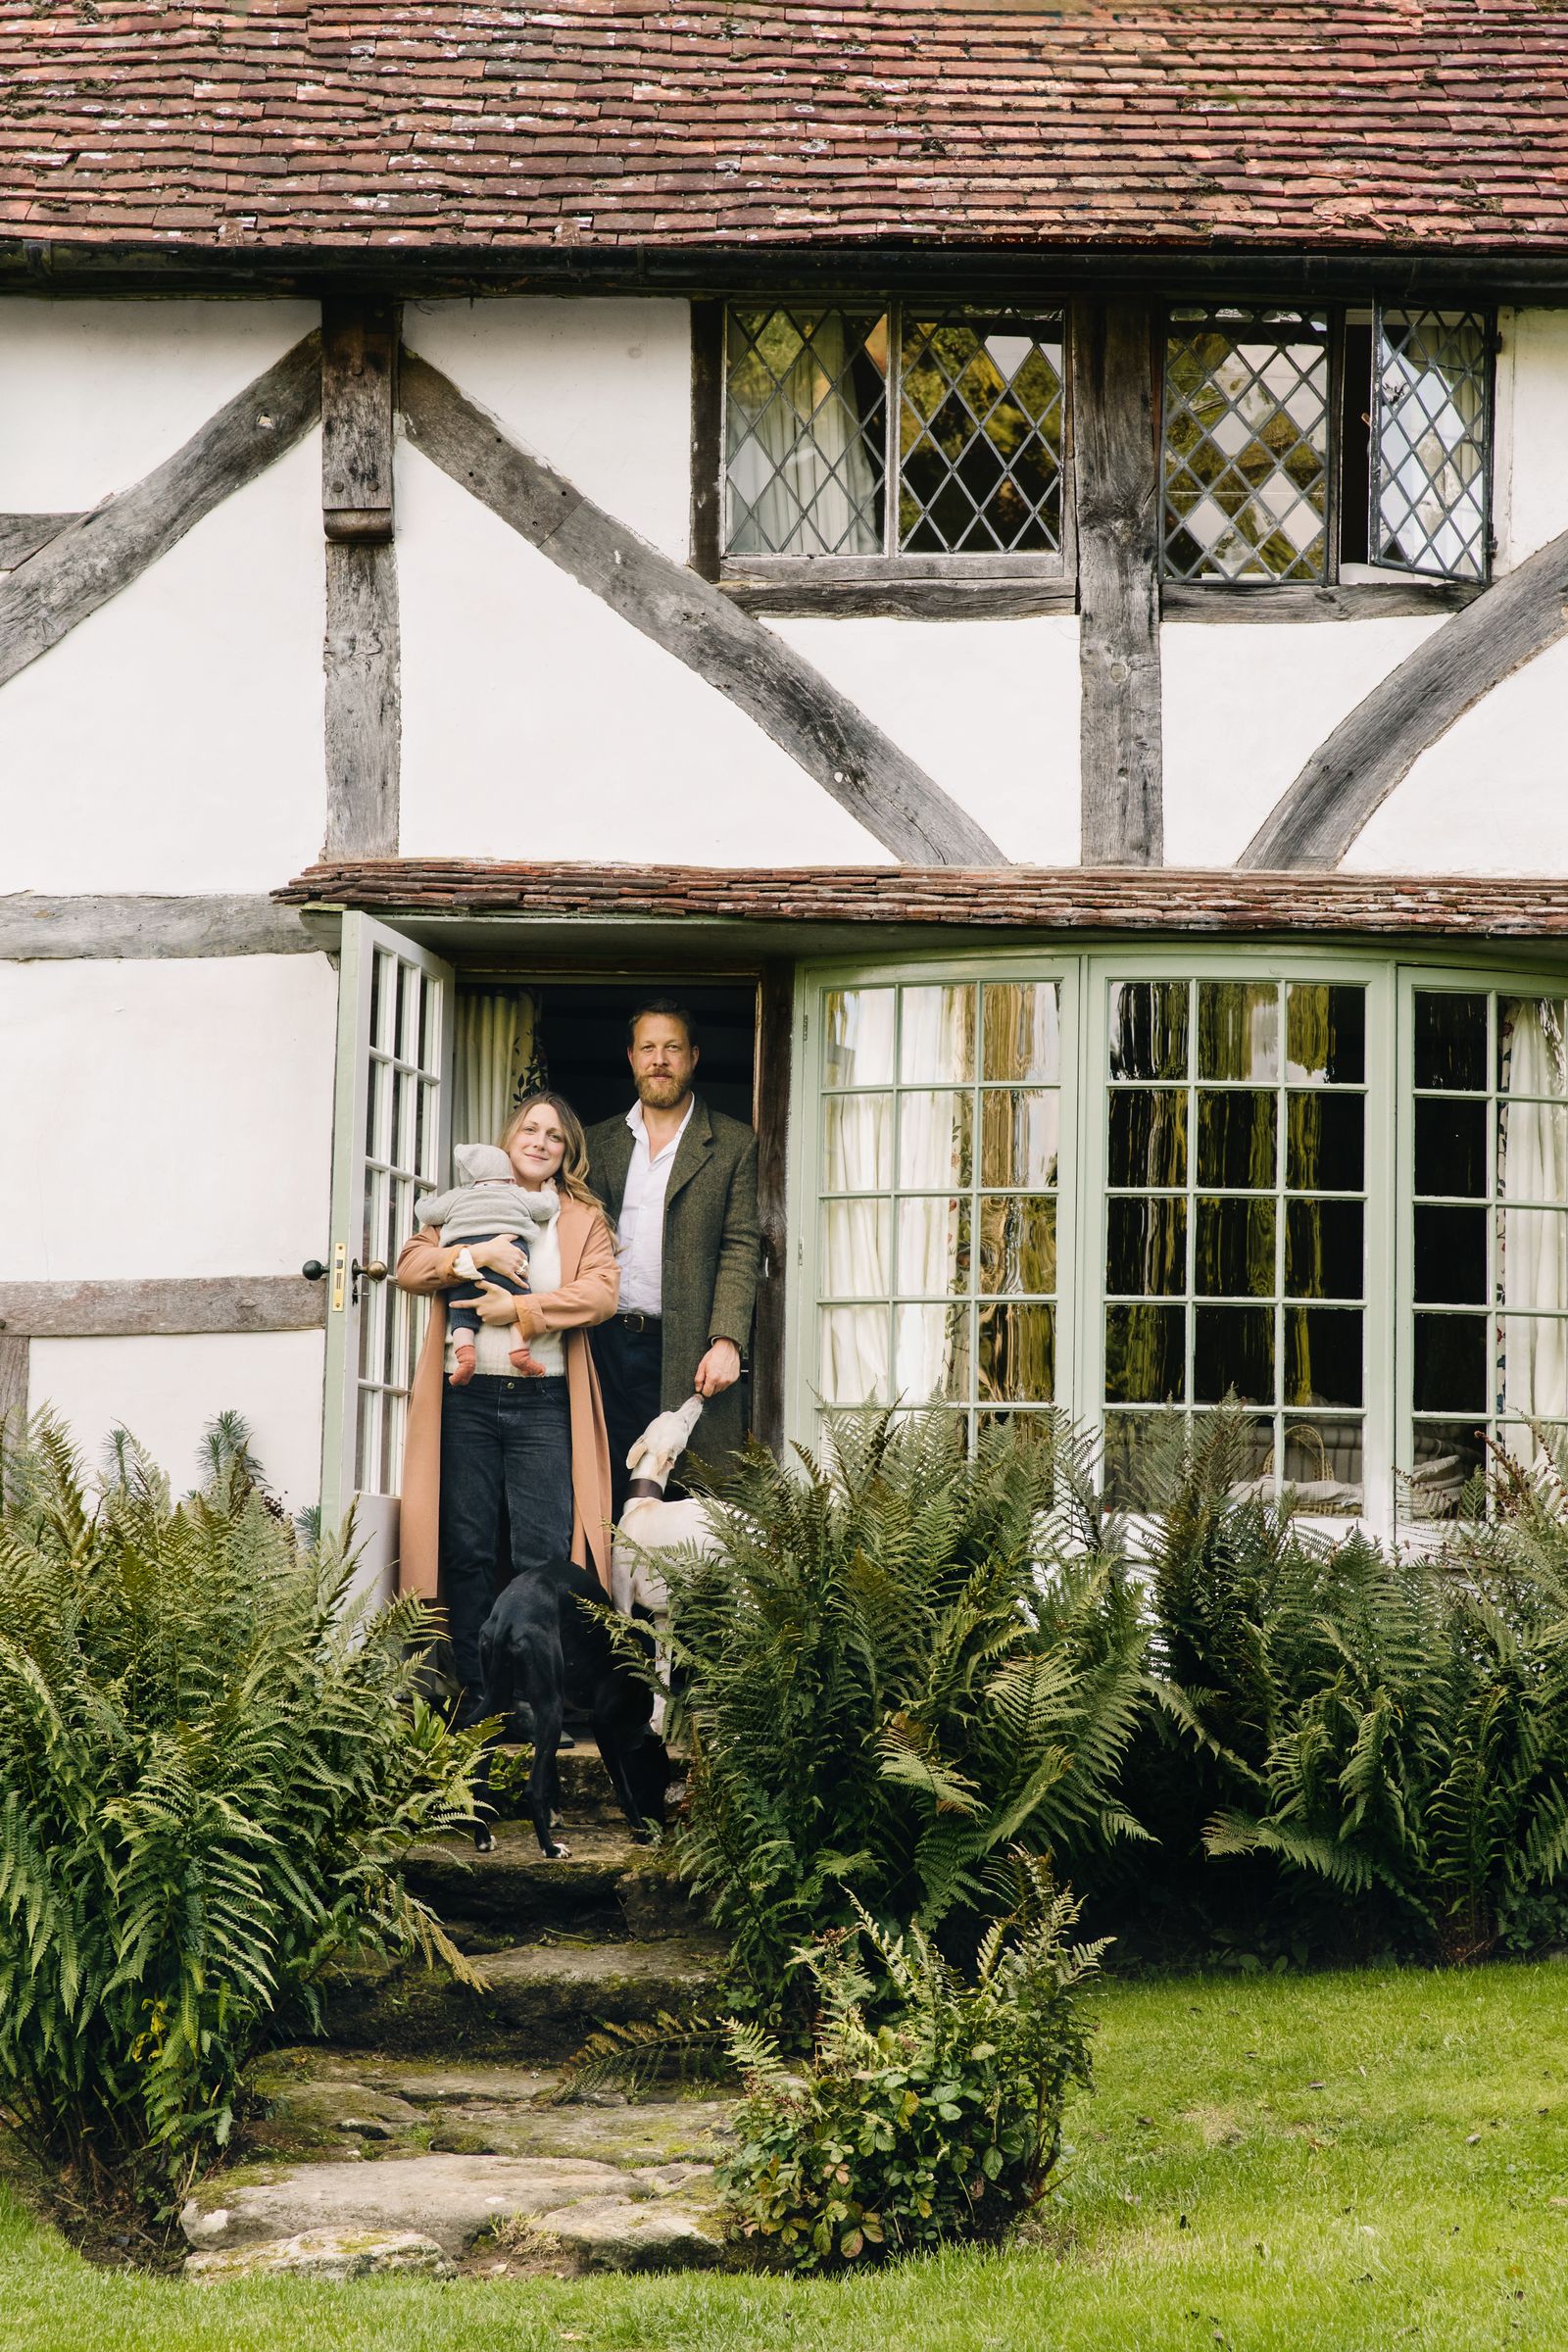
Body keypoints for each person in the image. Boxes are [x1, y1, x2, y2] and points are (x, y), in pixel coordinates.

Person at [395, 1092, 618, 1724]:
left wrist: (519, 1308)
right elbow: (410, 1267)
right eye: (531, 1130)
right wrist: (475, 1257)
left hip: (543, 1401)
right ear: (510, 1137)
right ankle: (478, 1695)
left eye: (555, 1136)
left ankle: (533, 1701)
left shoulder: (578, 1218)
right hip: (465, 1398)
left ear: (568, 1153)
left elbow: (601, 1294)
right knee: (467, 1548)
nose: (541, 1142)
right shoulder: (465, 1200)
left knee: (541, 1557)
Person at [585, 999, 761, 1517]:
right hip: (601, 1344)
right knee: (600, 1487)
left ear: (693, 1056)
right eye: (647, 1048)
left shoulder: (733, 1143)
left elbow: (740, 1244)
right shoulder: (596, 1142)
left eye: (672, 1048)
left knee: (689, 1498)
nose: (659, 1059)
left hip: (687, 1349)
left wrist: (728, 1339)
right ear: (631, 1057)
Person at [414, 1141, 550, 1385]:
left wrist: (421, 1201)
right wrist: (549, 1192)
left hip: (467, 1268)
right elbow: (546, 1207)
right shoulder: (516, 1193)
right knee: (521, 1306)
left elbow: (428, 1213)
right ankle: (519, 1351)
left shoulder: (457, 1196)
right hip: (511, 1266)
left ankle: (465, 1356)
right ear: (509, 1176)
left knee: (460, 1309)